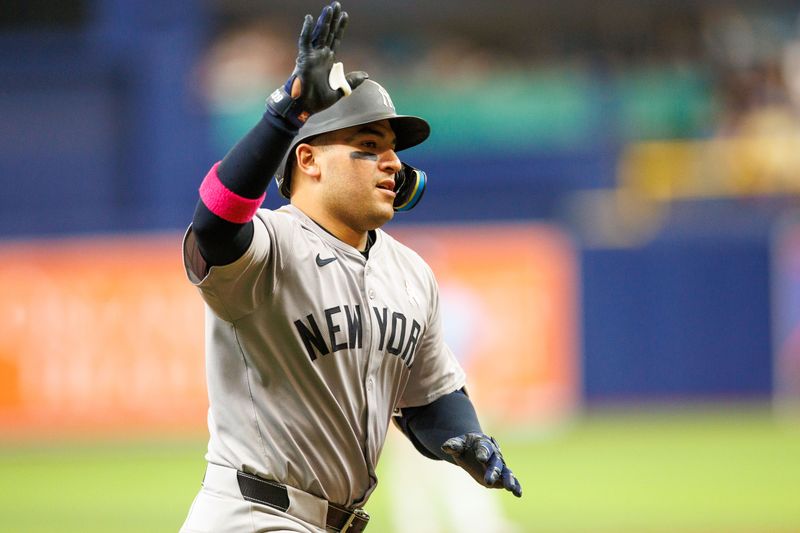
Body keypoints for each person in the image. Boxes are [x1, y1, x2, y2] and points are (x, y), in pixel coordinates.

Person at [179, 3, 522, 532]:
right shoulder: (270, 247)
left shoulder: (410, 272)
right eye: (367, 146)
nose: (393, 162)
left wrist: (466, 437)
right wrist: (282, 115)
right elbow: (215, 221)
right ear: (308, 160)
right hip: (254, 515)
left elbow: (431, 398)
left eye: (392, 150)